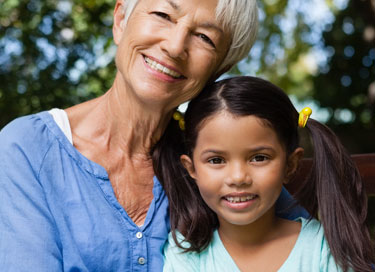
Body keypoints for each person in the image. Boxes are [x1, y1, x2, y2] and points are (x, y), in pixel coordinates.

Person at [0, 1, 306, 271]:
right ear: (120, 21)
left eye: (204, 37)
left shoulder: (216, 157)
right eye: (162, 14)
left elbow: (305, 245)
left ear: (219, 68)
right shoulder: (27, 148)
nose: (175, 46)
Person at [157, 76, 375, 271]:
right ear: (191, 168)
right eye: (216, 160)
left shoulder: (324, 248)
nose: (238, 177)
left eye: (259, 158)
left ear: (290, 165)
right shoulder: (186, 255)